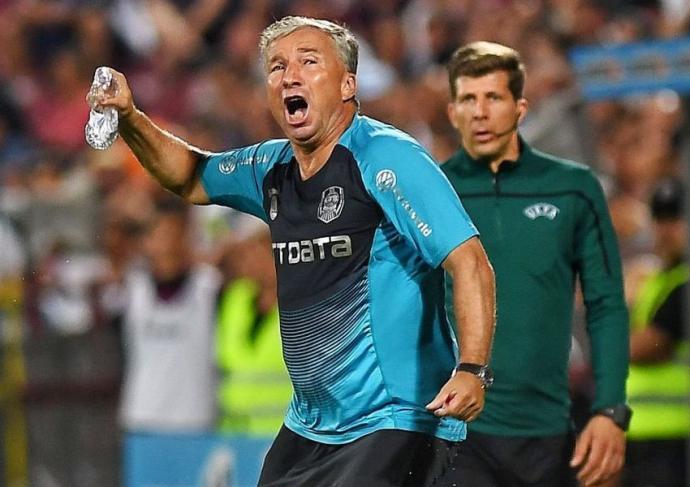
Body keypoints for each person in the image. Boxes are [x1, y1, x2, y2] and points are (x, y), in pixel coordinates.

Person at [90, 16, 496, 487]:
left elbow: (470, 263)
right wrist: (131, 117)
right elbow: (191, 176)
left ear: (347, 84)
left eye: (308, 62)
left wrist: (472, 369)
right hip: (310, 427)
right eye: (277, 66)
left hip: (396, 419)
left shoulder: (387, 158)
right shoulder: (272, 167)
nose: (290, 76)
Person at [440, 42, 630, 487]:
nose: (480, 113)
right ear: (452, 112)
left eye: (493, 98)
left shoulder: (573, 188)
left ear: (520, 108)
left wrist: (610, 409)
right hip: (455, 433)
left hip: (547, 433)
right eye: (468, 99)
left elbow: (605, 304)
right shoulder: (432, 191)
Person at [118, 196, 221, 433]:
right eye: (161, 236)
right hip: (143, 416)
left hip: (195, 419)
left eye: (176, 235)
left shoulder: (209, 286)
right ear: (146, 242)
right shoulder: (132, 287)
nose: (169, 245)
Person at [624, 177, 690, 487]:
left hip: (675, 433)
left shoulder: (689, 283)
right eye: (660, 219)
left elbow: (647, 346)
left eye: (675, 219)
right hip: (643, 433)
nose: (666, 230)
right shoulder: (658, 280)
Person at [215, 230, 292, 436]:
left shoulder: (300, 307)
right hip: (233, 428)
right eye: (247, 256)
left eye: (259, 255)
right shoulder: (235, 298)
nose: (251, 263)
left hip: (279, 430)